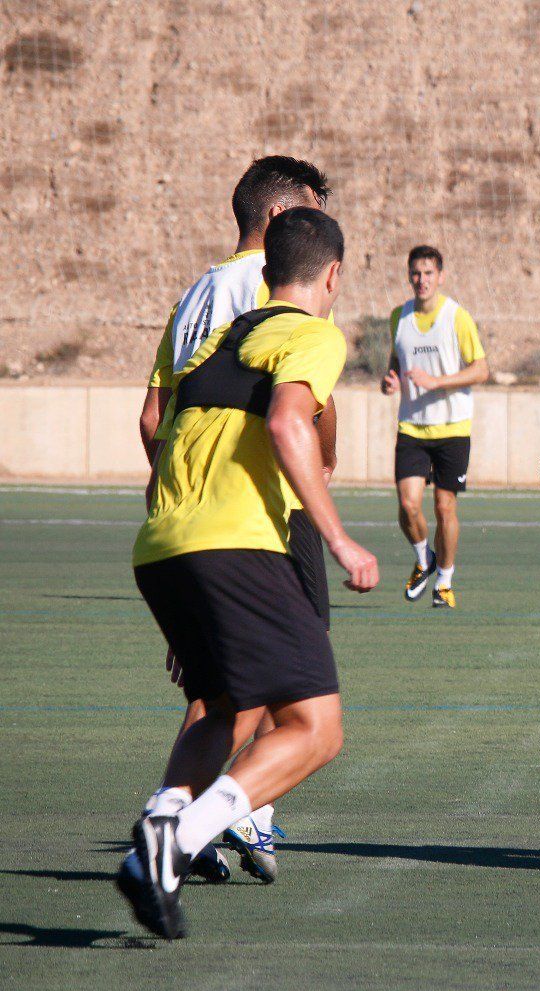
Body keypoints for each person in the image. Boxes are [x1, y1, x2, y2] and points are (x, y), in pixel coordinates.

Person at [117, 207, 379, 939]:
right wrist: (341, 541)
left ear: (265, 273)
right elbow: (291, 425)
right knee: (316, 728)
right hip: (237, 544)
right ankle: (181, 838)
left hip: (163, 546)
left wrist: (188, 592)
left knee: (223, 702)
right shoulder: (312, 334)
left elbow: (160, 432)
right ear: (333, 275)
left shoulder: (215, 346)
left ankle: (154, 842)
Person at [138, 155, 337, 883]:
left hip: (184, 517)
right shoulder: (276, 293)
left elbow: (155, 416)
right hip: (259, 514)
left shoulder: (193, 294)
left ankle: (178, 818)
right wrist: (331, 494)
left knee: (222, 685)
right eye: (314, 210)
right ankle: (234, 816)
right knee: (298, 689)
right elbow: (299, 410)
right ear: (287, 221)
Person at [381, 245, 489, 609]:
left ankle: (444, 581)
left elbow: (481, 369)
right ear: (408, 275)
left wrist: (436, 381)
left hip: (452, 427)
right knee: (408, 505)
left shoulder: (457, 317)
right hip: (412, 426)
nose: (421, 280)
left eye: (428, 273)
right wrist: (390, 380)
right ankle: (423, 557)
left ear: (440, 276)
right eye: (415, 273)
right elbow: (396, 361)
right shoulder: (399, 317)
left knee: (444, 508)